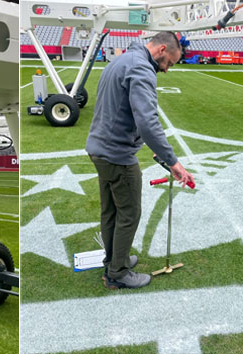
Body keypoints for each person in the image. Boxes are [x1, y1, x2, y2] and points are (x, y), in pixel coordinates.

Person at [85, 32, 195, 290]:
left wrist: (148, 146)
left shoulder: (122, 60)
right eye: (169, 63)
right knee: (129, 213)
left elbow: (120, 111)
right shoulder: (142, 68)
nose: (166, 70)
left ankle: (114, 260)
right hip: (117, 155)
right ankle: (118, 273)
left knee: (111, 211)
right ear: (162, 50)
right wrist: (173, 162)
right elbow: (147, 122)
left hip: (100, 149)